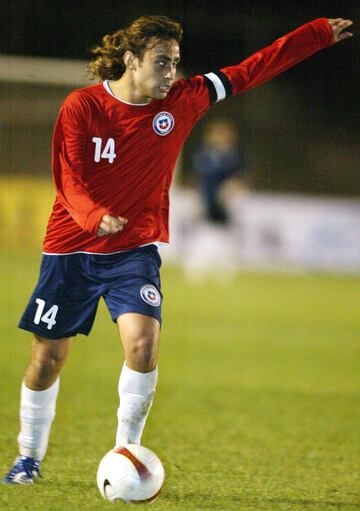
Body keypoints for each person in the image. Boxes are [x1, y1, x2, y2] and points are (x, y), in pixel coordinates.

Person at [3, 15, 353, 485]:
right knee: (47, 359)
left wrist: (315, 35)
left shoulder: (185, 101)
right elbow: (68, 177)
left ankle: (127, 450)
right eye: (161, 62)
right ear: (131, 59)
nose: (172, 73)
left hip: (134, 250)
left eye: (176, 63)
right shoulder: (83, 105)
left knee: (143, 344)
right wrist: (93, 216)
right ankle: (28, 456)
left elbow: (252, 69)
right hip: (72, 250)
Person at [193, 118, 247, 223]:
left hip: (226, 195)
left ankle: (229, 218)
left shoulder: (236, 154)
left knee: (230, 195)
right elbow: (196, 174)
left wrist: (235, 183)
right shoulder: (203, 153)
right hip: (205, 194)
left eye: (222, 134)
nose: (218, 138)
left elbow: (242, 175)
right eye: (216, 134)